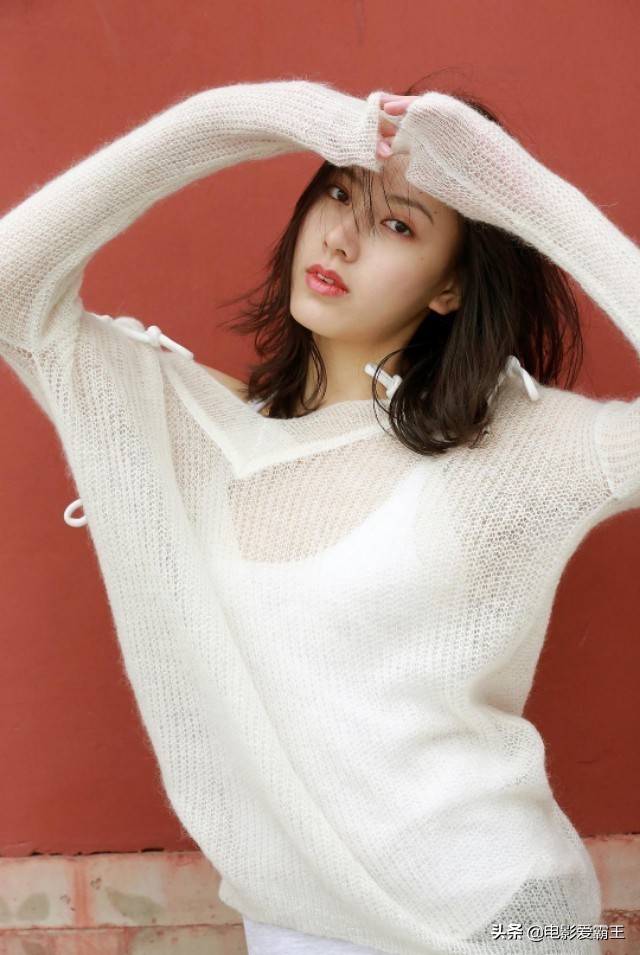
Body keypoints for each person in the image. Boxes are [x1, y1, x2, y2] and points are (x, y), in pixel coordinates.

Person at [0, 77, 637, 955]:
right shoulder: (195, 434)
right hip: (294, 925)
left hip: (502, 920)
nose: (342, 235)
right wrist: (241, 118)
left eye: (399, 225)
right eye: (338, 192)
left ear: (450, 287)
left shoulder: (516, 446)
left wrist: (526, 197)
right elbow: (12, 289)